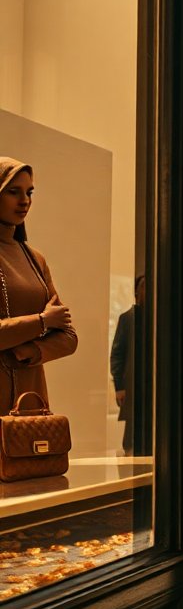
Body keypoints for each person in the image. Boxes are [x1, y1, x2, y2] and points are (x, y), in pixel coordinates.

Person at [0, 160, 78, 441]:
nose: (24, 201)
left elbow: (68, 337)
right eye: (13, 192)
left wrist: (29, 350)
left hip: (29, 398)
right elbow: (52, 321)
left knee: (28, 460)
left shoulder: (35, 259)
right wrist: (42, 322)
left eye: (29, 192)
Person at [111, 275, 147, 454]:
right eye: (144, 287)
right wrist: (119, 386)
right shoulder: (127, 318)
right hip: (133, 385)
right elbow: (117, 354)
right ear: (137, 292)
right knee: (132, 432)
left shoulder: (160, 320)